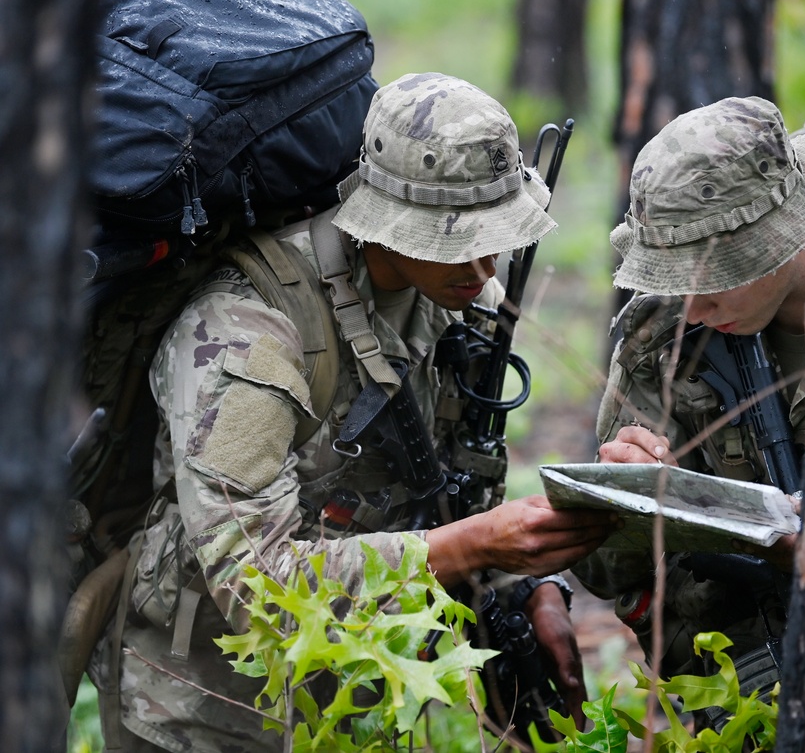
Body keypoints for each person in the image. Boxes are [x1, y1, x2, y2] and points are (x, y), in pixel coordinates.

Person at [91, 72, 614, 751]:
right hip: (210, 709)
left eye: (498, 237)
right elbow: (257, 584)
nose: (486, 267)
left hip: (363, 700)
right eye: (456, 238)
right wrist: (472, 545)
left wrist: (524, 588)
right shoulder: (250, 332)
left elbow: (459, 488)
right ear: (384, 224)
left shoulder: (463, 305)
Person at [572, 96, 805, 703]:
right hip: (757, 679)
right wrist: (632, 499)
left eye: (712, 279)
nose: (691, 307)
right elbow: (603, 571)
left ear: (779, 238)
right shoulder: (666, 339)